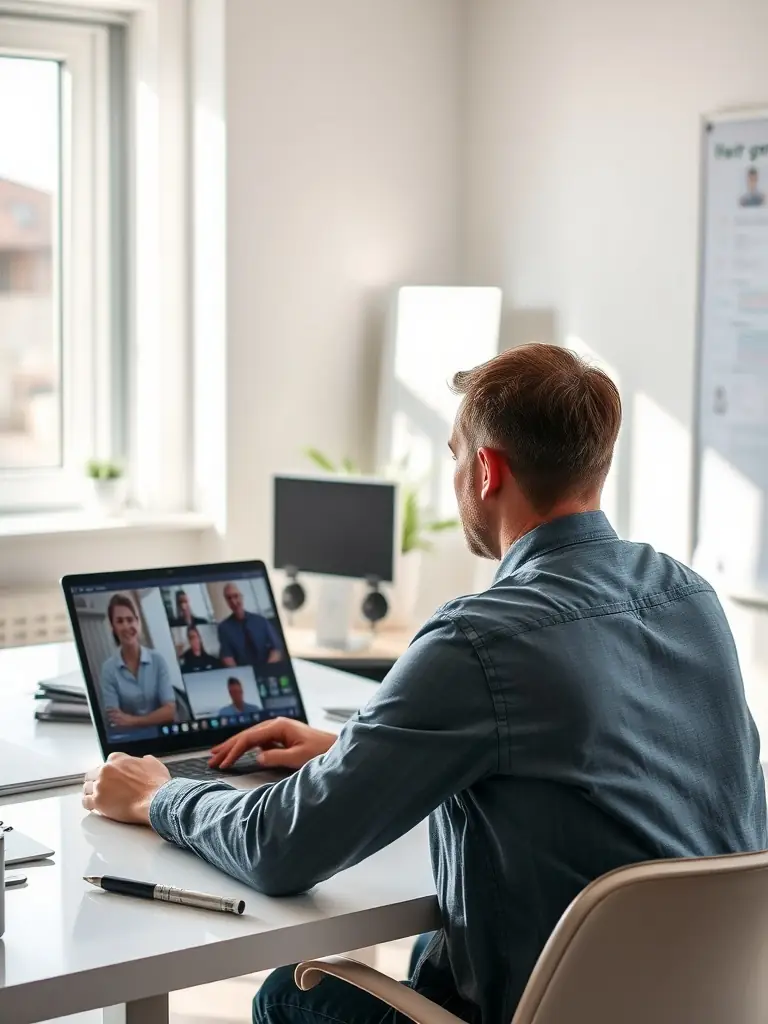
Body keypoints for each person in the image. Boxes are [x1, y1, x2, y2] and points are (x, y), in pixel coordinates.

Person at [82, 344, 767, 1024]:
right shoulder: (690, 598)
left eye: (452, 454)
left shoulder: (481, 638)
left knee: (289, 996)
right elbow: (606, 764)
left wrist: (161, 797)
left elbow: (280, 850)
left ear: (487, 470)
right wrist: (356, 752)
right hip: (691, 1007)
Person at [100, 594, 176, 729]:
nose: (126, 626)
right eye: (120, 621)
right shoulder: (108, 669)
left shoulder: (157, 659)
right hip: (130, 739)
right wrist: (154, 717)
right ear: (113, 626)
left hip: (162, 734)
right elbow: (116, 719)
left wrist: (132, 721)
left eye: (130, 620)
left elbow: (170, 711)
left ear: (137, 622)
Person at [217, 583, 283, 668]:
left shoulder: (261, 621)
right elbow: (227, 657)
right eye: (229, 598)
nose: (233, 602)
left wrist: (267, 669)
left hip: (268, 667)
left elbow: (276, 648)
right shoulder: (224, 628)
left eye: (236, 596)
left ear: (242, 597)